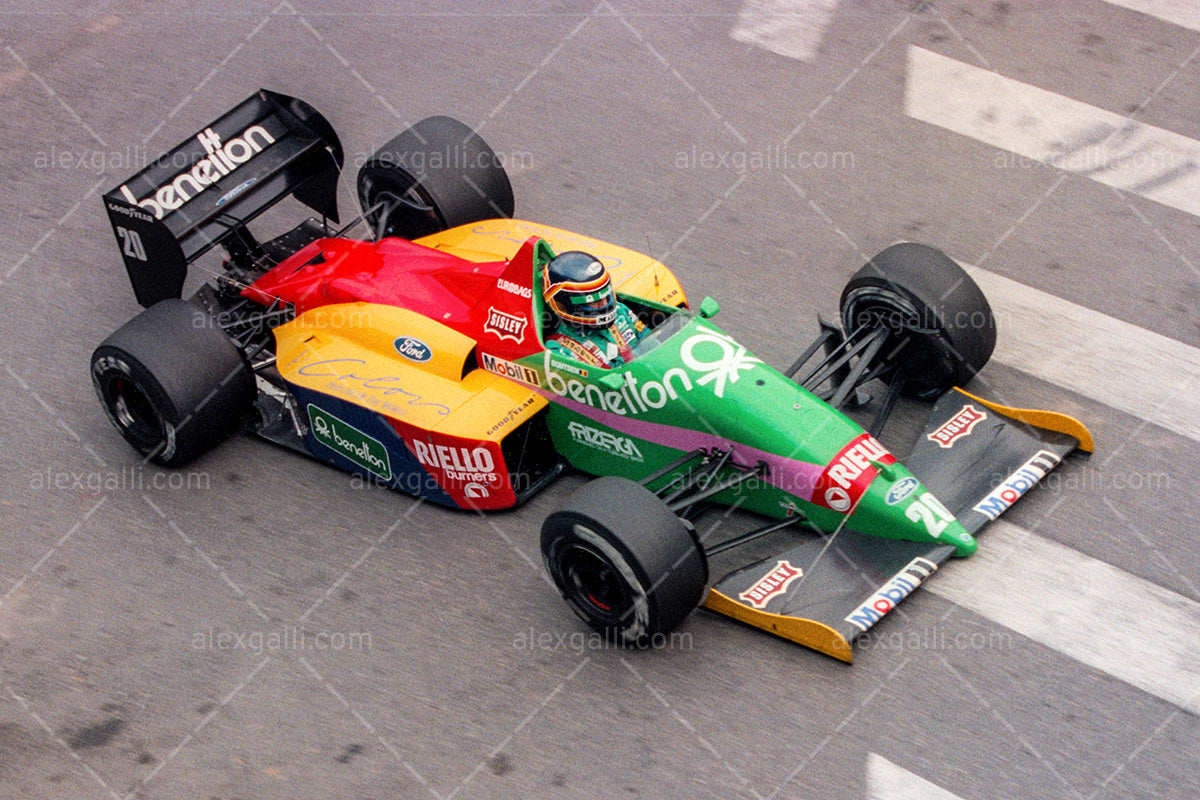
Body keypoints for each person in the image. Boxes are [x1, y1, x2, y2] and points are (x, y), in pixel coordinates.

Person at [542, 250, 645, 368]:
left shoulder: (621, 312)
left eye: (605, 295)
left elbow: (652, 343)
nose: (604, 304)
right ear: (564, 306)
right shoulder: (561, 352)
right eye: (593, 301)